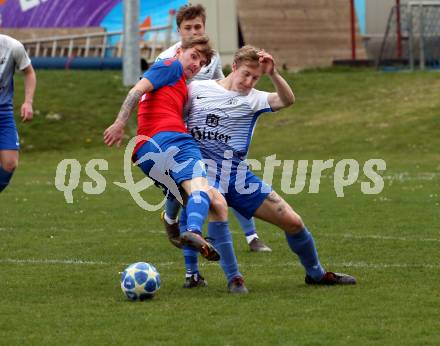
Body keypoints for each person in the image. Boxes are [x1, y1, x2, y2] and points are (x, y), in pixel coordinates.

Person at [184, 45, 356, 286]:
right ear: (233, 67)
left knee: (293, 222)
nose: (250, 81)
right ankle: (232, 279)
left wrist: (273, 74)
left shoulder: (254, 98)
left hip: (237, 177)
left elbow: (287, 100)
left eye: (256, 77)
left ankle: (316, 274)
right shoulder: (197, 89)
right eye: (246, 74)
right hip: (202, 175)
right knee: (215, 209)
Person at [104, 35, 248, 293]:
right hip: (172, 140)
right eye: (193, 56)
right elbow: (136, 90)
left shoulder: (179, 84)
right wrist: (119, 122)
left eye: (201, 63)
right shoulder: (170, 66)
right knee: (201, 191)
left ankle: (188, 265)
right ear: (180, 51)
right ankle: (190, 229)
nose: (195, 64)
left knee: (185, 195)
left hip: (145, 152)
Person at [156, 3, 271, 253]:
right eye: (188, 28)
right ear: (179, 31)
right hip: (183, 127)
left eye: (198, 26)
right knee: (187, 187)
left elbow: (222, 81)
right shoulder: (166, 58)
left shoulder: (213, 56)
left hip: (216, 125)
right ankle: (179, 232)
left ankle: (251, 236)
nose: (194, 32)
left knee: (233, 174)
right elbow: (160, 95)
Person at [0, 34, 36, 193]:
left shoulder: (13, 47)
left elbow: (29, 73)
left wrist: (28, 102)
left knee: (10, 163)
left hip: (3, 113)